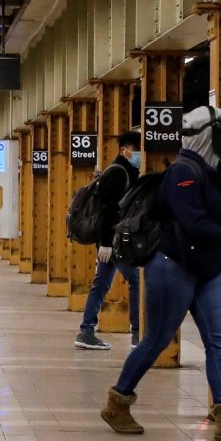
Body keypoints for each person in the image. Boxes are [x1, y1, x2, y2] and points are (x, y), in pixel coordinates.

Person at [101, 106, 221, 441]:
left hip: (208, 269)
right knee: (157, 340)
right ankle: (117, 403)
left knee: (218, 342)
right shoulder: (183, 173)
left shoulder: (210, 174)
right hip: (172, 268)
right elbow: (196, 225)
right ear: (209, 136)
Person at [75, 131, 143, 351]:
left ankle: (86, 331)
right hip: (115, 241)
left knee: (101, 283)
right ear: (125, 150)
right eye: (136, 150)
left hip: (114, 240)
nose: (140, 154)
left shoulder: (127, 171)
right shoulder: (117, 173)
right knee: (136, 281)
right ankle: (137, 333)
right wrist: (105, 243)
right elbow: (107, 210)